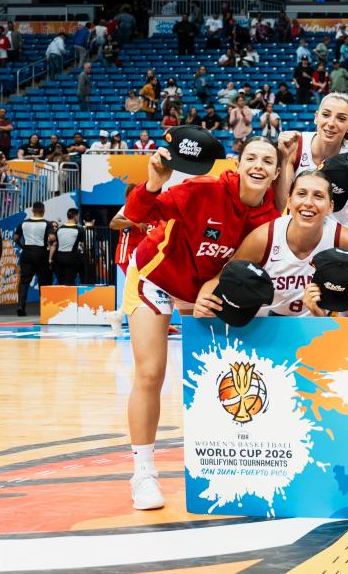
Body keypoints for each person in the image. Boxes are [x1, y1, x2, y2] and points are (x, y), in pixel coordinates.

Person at [121, 135, 281, 511]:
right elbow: (137, 214)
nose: (258, 166)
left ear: (276, 173)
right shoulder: (202, 190)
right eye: (251, 158)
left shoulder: (270, 219)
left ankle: (229, 464)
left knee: (222, 377)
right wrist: (154, 183)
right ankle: (143, 473)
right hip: (156, 278)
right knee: (151, 372)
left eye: (267, 161)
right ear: (237, 164)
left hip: (205, 291)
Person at [198, 171, 348, 318]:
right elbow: (222, 278)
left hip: (319, 326)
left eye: (318, 196)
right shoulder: (264, 238)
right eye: (301, 193)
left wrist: (341, 334)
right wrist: (204, 300)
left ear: (330, 206)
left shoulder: (347, 242)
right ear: (289, 201)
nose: (308, 202)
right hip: (265, 327)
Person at [275, 92, 348, 233]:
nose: (331, 123)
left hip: (340, 238)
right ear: (316, 117)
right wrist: (283, 158)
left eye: (341, 118)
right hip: (298, 234)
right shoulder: (295, 146)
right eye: (326, 115)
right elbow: (280, 205)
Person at [14, 201, 55, 317]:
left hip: (27, 253)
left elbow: (16, 238)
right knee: (44, 282)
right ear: (43, 210)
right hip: (41, 253)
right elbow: (52, 238)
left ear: (32, 210)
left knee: (24, 281)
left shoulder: (23, 223)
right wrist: (49, 240)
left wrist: (22, 246)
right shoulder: (47, 223)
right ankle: (45, 308)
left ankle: (20, 306)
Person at [53, 208, 85, 286]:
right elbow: (83, 244)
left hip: (59, 258)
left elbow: (55, 243)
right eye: (78, 216)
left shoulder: (59, 229)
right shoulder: (79, 229)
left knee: (62, 282)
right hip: (71, 258)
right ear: (76, 216)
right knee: (68, 282)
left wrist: (51, 259)